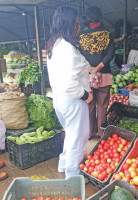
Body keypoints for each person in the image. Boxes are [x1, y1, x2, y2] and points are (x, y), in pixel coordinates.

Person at [47, 6, 93, 179]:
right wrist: (86, 96)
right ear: (69, 24)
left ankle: (64, 164)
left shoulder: (56, 44)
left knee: (71, 134)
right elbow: (69, 82)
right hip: (72, 99)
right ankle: (73, 177)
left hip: (60, 97)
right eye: (76, 23)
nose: (78, 27)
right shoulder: (66, 48)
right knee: (78, 139)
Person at [79, 6, 115, 139]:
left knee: (89, 104)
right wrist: (98, 67)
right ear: (100, 17)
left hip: (87, 76)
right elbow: (110, 54)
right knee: (102, 105)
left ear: (87, 19)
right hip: (104, 74)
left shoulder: (81, 36)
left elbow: (79, 56)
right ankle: (101, 133)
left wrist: (90, 68)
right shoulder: (107, 33)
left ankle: (89, 133)